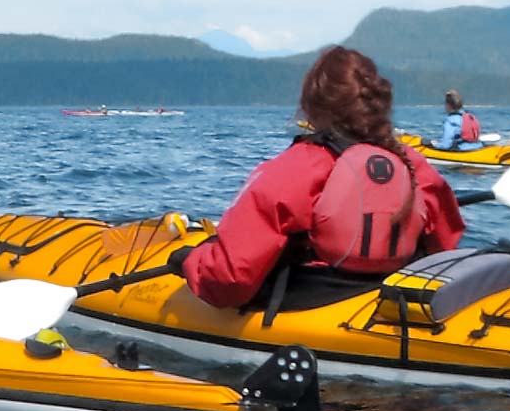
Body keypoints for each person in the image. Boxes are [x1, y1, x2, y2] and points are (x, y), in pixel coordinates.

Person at [167, 46, 466, 309]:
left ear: (311, 106)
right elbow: (445, 246)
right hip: (386, 303)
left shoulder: (294, 170)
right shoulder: (413, 164)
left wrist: (190, 261)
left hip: (314, 307)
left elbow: (229, 279)